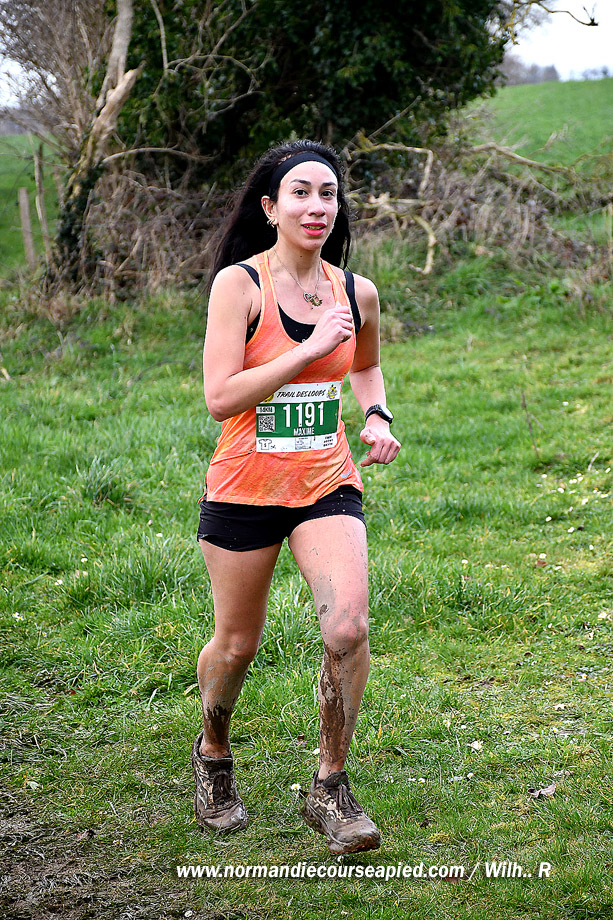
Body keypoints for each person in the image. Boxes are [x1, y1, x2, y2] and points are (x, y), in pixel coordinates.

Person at [192, 139, 401, 855]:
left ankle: (329, 786)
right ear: (270, 207)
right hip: (244, 489)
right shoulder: (239, 286)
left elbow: (366, 365)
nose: (317, 207)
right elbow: (221, 398)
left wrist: (377, 415)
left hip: (325, 482)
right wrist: (307, 349)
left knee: (347, 627)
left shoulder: (356, 292)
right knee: (236, 645)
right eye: (301, 193)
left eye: (328, 194)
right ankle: (213, 752)